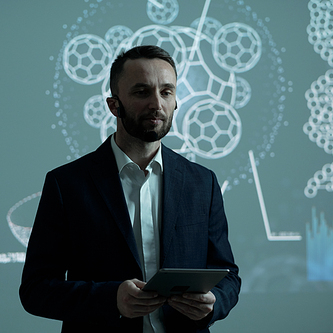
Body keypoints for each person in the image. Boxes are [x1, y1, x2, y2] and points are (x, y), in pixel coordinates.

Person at [19, 45, 241, 332]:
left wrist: (215, 301)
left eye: (166, 92)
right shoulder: (67, 184)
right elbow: (36, 290)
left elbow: (228, 276)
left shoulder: (202, 182)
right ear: (114, 105)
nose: (157, 105)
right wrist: (111, 299)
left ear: (176, 101)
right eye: (141, 92)